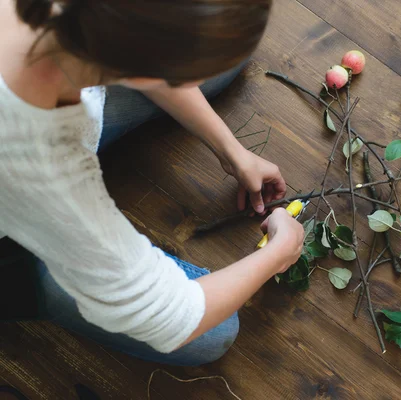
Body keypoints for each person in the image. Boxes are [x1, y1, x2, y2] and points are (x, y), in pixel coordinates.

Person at [0, 0, 305, 366]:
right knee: (212, 334)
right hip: (15, 237)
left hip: (51, 98)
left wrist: (231, 149)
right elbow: (171, 316)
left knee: (228, 52)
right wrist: (278, 254)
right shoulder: (43, 166)